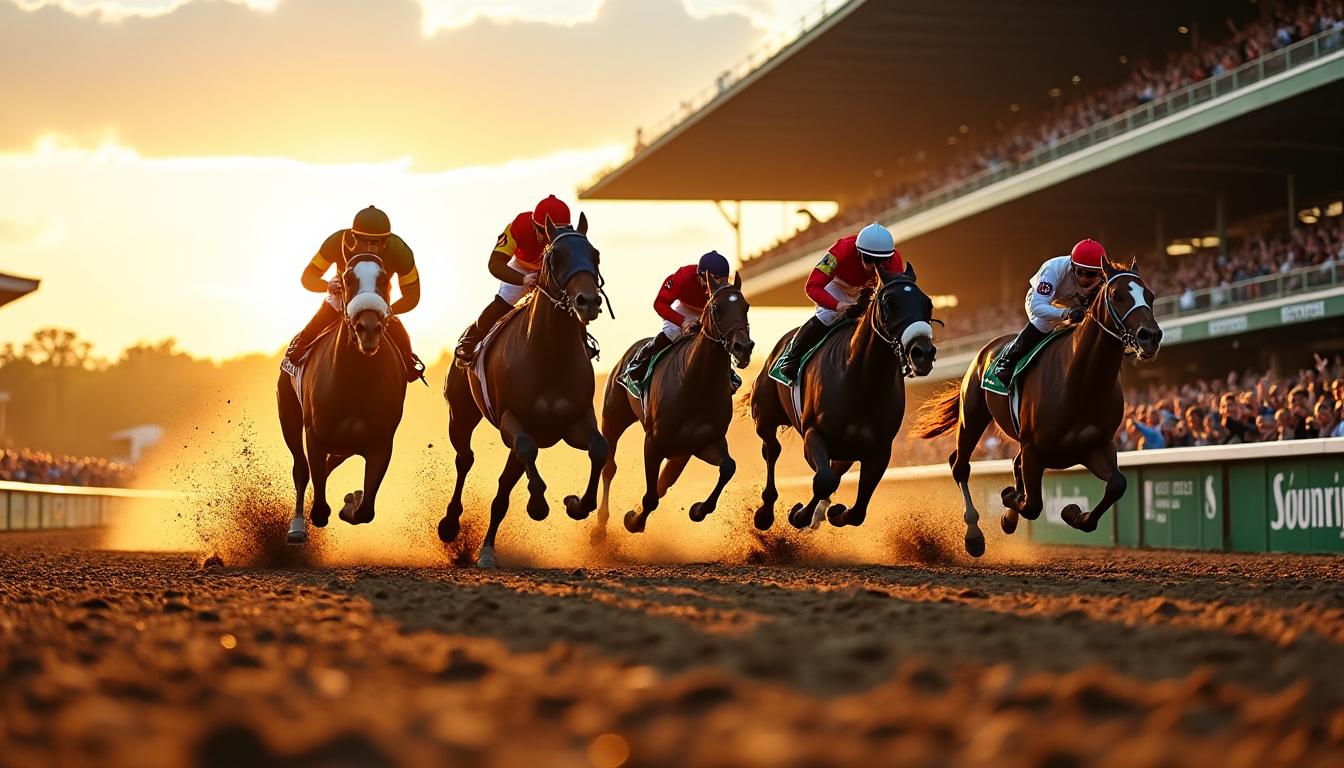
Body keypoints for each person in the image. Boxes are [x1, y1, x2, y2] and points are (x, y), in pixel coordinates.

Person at [281, 205, 424, 383]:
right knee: (322, 316)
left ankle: (409, 363)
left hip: (379, 305)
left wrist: (389, 310)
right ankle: (298, 349)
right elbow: (307, 277)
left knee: (402, 342)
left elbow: (412, 296)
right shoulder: (337, 241)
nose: (369, 249)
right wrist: (327, 285)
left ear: (386, 242)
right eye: (363, 241)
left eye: (375, 243)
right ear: (353, 237)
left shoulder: (401, 251)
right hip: (342, 300)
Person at [454, 195, 596, 365]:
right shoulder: (518, 227)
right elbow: (494, 263)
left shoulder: (567, 237)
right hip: (524, 267)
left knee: (569, 296)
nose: (549, 238)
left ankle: (583, 338)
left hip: (551, 268)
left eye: (556, 232)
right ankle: (470, 339)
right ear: (535, 226)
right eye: (545, 232)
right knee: (506, 298)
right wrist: (522, 279)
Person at [769, 222, 903, 385]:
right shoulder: (840, 251)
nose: (874, 267)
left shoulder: (895, 261)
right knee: (829, 314)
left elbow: (895, 296)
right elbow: (812, 286)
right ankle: (791, 357)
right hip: (839, 284)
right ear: (859, 252)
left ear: (889, 257)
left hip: (871, 289)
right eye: (869, 259)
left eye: (880, 261)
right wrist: (839, 305)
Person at [989, 239, 1108, 390]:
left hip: (1077, 304)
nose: (1084, 278)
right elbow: (1037, 306)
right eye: (1079, 272)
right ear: (1072, 265)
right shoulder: (1053, 269)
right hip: (1045, 302)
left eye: (1090, 274)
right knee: (1043, 322)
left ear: (1100, 272)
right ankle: (1007, 362)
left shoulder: (1105, 278)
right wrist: (1066, 313)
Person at [621, 251, 732, 393]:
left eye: (723, 280)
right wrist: (683, 322)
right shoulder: (684, 276)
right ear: (701, 275)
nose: (720, 285)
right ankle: (638, 365)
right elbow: (659, 304)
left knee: (722, 337)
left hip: (709, 310)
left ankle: (729, 373)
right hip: (685, 309)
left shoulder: (725, 289)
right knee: (672, 331)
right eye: (715, 280)